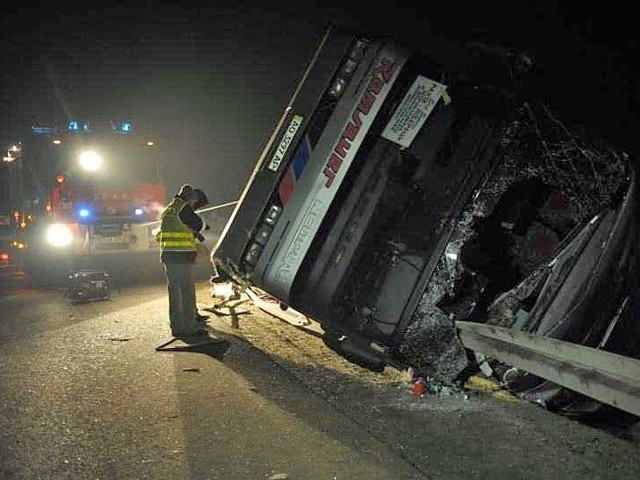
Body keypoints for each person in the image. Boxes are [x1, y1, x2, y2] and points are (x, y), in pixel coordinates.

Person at [158, 184, 208, 337]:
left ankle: (177, 328)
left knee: (174, 292)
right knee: (186, 291)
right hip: (182, 256)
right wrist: (195, 233)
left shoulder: (168, 209)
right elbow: (198, 224)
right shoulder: (184, 208)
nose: (193, 205)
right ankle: (191, 328)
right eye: (193, 202)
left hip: (168, 255)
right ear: (190, 199)